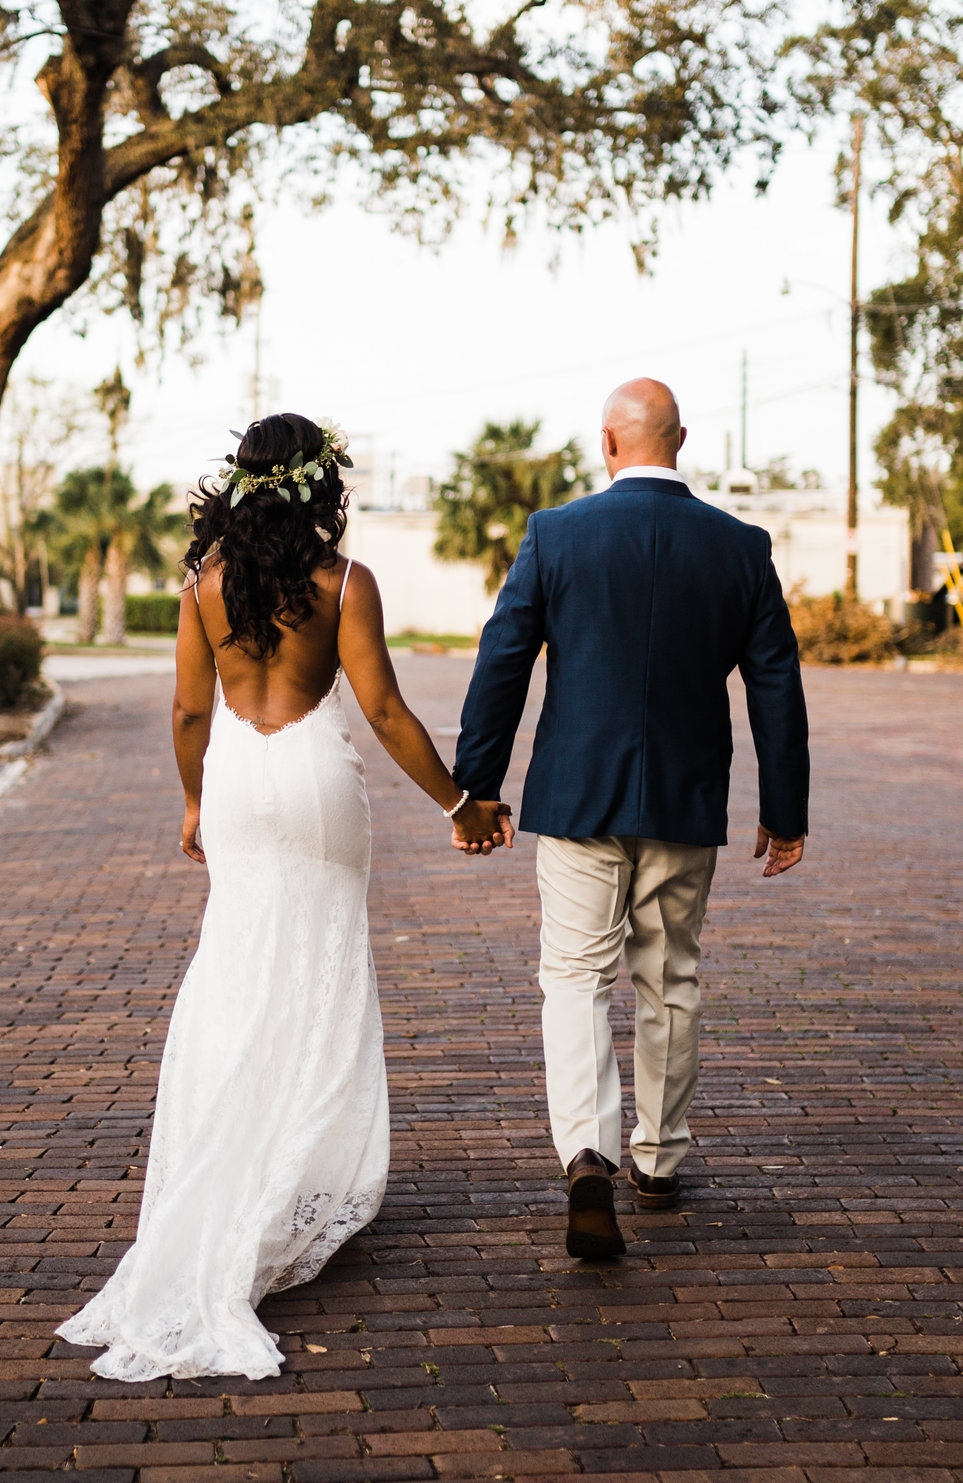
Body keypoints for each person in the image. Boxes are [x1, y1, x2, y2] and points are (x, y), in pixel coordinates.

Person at [57, 413, 506, 1382]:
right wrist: (460, 802)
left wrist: (190, 798)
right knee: (317, 969)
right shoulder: (344, 582)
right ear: (320, 487)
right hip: (313, 776)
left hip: (236, 782)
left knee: (236, 971)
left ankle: (229, 1167)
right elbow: (381, 708)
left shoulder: (203, 587)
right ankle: (295, 1168)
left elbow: (186, 709)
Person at [452, 377, 810, 1259]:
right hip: (686, 799)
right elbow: (775, 681)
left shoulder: (558, 533)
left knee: (574, 978)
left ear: (607, 443)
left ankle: (587, 1153)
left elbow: (504, 659)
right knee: (670, 975)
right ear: (679, 439)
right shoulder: (739, 547)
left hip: (577, 796)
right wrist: (785, 807)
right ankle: (656, 1159)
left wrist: (478, 785)